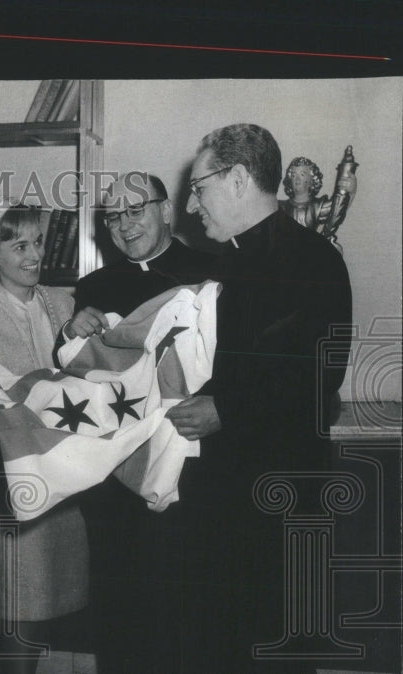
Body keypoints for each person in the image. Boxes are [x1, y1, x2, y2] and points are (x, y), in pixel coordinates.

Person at [171, 123, 352, 672]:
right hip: (224, 502)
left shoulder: (314, 260)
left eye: (198, 187)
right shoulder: (217, 261)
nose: (190, 203)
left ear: (238, 179)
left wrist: (227, 409)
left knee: (275, 648)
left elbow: (319, 377)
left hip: (282, 500)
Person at [65, 172, 216, 673]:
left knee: (193, 620)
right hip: (116, 485)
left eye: (137, 210)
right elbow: (76, 380)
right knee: (122, 622)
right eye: (114, 215)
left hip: (193, 476)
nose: (125, 224)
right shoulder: (92, 289)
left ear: (167, 210)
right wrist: (72, 331)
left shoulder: (215, 270)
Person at [0, 199, 88, 674]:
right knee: (22, 608)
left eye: (37, 242)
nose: (34, 255)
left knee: (61, 602)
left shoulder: (63, 304)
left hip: (72, 485)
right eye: (19, 246)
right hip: (18, 488)